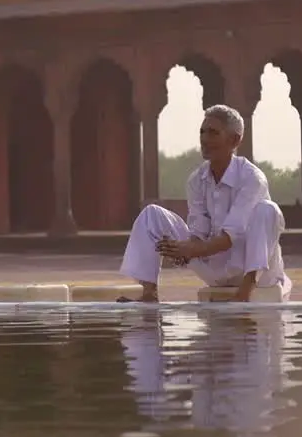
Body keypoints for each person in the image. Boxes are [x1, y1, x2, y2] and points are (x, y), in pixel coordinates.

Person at [118, 104, 290, 303]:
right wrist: (180, 248)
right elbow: (199, 232)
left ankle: (244, 293)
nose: (205, 139)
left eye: (213, 133)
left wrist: (190, 250)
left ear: (234, 140)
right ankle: (149, 293)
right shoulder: (197, 179)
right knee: (152, 215)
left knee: (268, 210)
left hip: (251, 271)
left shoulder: (252, 178)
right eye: (202, 132)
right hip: (215, 268)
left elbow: (229, 238)